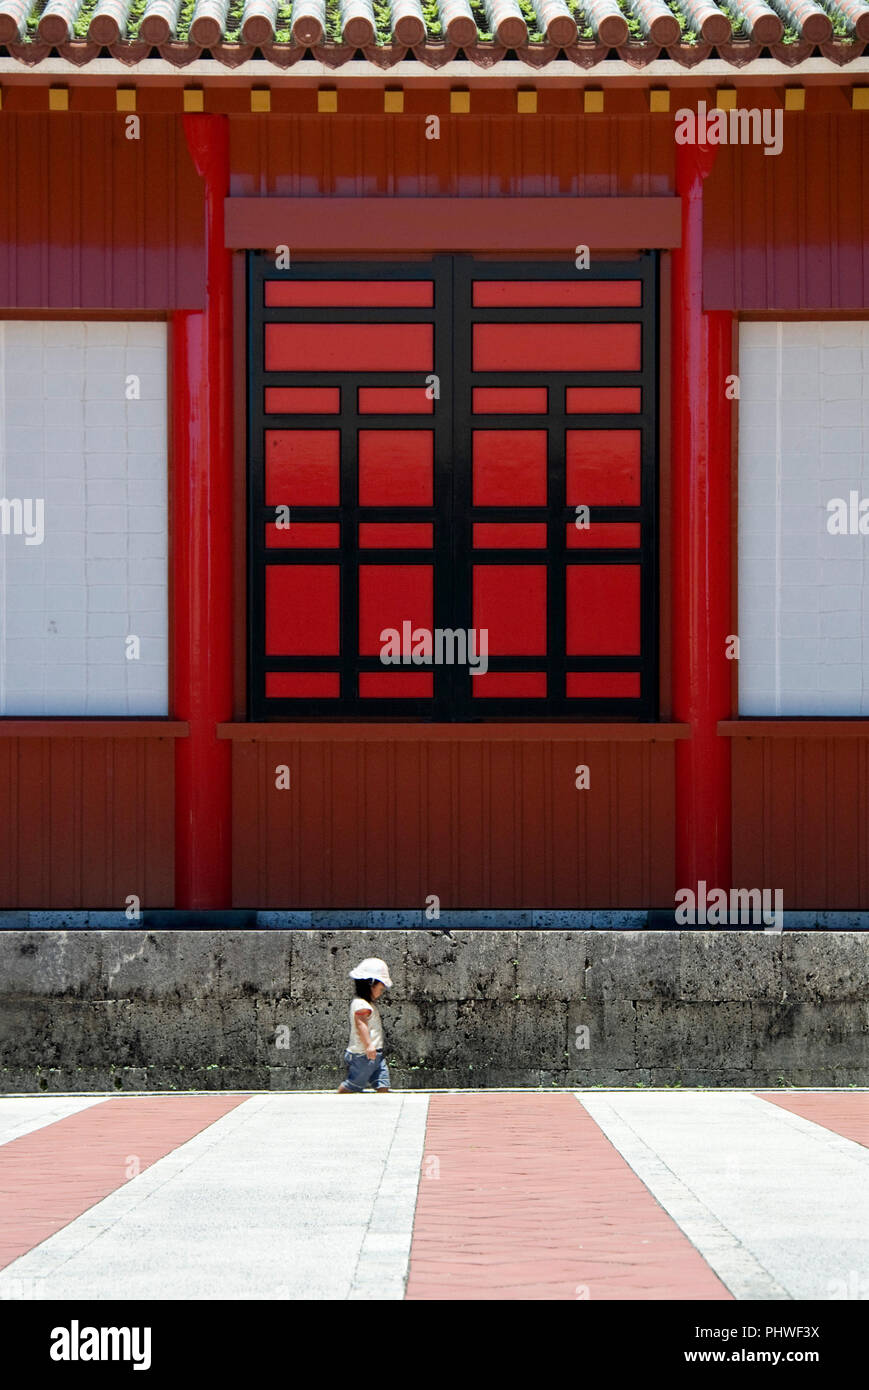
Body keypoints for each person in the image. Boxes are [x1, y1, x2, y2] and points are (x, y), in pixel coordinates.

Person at [337, 957, 393, 1094]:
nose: (380, 993)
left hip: (375, 1054)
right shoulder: (361, 1004)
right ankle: (339, 1097)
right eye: (380, 989)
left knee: (383, 1083)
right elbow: (361, 1024)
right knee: (353, 1084)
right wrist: (369, 1045)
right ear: (370, 984)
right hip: (364, 1054)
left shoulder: (367, 1004)